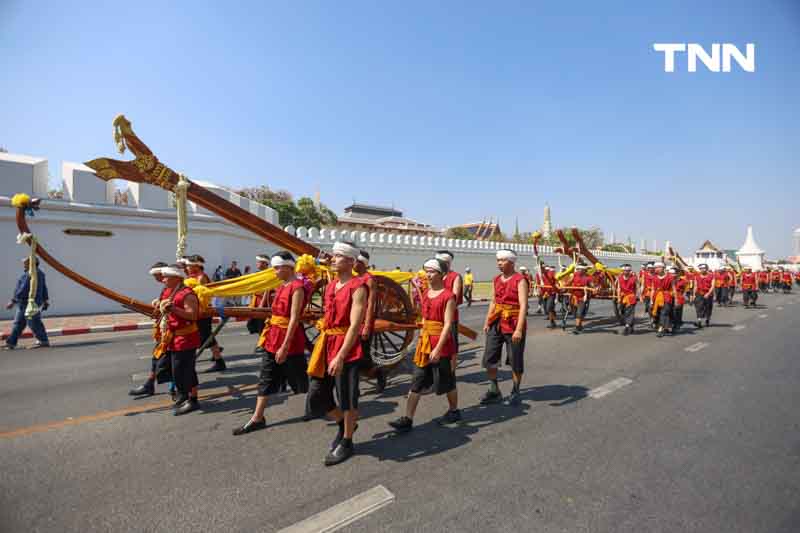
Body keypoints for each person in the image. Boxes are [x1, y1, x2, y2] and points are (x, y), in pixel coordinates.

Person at [233, 251, 310, 435]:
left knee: (301, 380)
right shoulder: (282, 286)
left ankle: (322, 405)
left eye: (276, 268)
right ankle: (257, 418)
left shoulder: (297, 287)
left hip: (288, 342)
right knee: (265, 378)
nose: (274, 271)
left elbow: (294, 319)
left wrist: (284, 346)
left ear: (287, 267)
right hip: (272, 338)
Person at [305, 241, 367, 466]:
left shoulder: (358, 287)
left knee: (347, 398)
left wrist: (341, 356)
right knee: (316, 395)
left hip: (346, 348)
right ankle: (344, 423)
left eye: (338, 256)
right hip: (326, 343)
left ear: (351, 261)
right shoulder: (331, 286)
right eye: (333, 255)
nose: (332, 258)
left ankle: (348, 440)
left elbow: (354, 326)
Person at [389, 258, 460, 432]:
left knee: (447, 382)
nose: (428, 274)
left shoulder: (448, 296)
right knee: (417, 381)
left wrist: (437, 348)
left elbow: (448, 325)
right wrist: (421, 340)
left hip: (441, 345)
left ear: (442, 274)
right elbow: (425, 319)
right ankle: (407, 419)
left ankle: (454, 410)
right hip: (426, 343)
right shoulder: (427, 293)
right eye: (426, 271)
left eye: (432, 271)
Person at [480, 249, 528, 406]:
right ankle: (494, 389)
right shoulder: (496, 279)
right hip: (497, 321)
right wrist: (488, 321)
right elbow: (493, 301)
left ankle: (515, 390)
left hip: (513, 323)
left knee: (515, 359)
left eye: (502, 260)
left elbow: (523, 306)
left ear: (512, 262)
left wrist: (519, 329)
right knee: (490, 357)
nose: (499, 263)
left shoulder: (520, 280)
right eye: (498, 260)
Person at [154, 264, 202, 415]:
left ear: (176, 278)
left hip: (185, 338)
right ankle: (183, 395)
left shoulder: (187, 294)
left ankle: (192, 400)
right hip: (171, 337)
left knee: (185, 371)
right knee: (169, 367)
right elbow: (163, 306)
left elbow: (193, 315)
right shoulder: (168, 291)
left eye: (166, 277)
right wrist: (157, 304)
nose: (163, 280)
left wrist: (173, 308)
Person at [129, 262, 176, 398]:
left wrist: (162, 308)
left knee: (169, 362)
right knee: (158, 358)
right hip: (164, 329)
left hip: (173, 330)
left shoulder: (176, 288)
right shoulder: (167, 288)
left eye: (158, 275)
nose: (156, 279)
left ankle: (176, 388)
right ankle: (150, 384)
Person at [185, 255, 226, 373]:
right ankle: (219, 360)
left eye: (188, 266)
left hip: (202, 312)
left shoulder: (201, 278)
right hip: (198, 311)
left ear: (196, 266)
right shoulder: (193, 277)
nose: (187, 268)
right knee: (207, 337)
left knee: (206, 336)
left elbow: (202, 297)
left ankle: (218, 361)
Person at [354, 250, 386, 393]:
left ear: (361, 263)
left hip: (364, 323)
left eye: (354, 261)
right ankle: (353, 387)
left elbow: (371, 304)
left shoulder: (369, 279)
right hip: (354, 322)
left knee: (363, 357)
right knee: (352, 356)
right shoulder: (354, 279)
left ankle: (379, 373)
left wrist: (367, 326)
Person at [4, 258, 50, 350]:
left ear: (31, 263)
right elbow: (44, 288)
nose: (24, 264)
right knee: (20, 323)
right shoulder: (40, 273)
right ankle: (11, 343)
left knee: (33, 322)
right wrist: (45, 300)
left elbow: (23, 289)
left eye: (25, 263)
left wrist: (13, 301)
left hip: (27, 302)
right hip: (32, 302)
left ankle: (43, 341)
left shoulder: (30, 274)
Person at [436, 250, 463, 375]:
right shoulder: (436, 275)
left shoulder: (455, 277)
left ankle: (451, 370)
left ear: (447, 263)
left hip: (450, 316)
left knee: (451, 344)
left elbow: (455, 298)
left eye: (440, 262)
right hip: (435, 317)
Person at [247, 254, 272, 342]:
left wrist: (262, 303)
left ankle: (264, 343)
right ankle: (262, 342)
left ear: (265, 263)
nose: (257, 264)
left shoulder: (268, 274)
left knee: (262, 323)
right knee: (255, 323)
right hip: (256, 300)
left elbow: (267, 289)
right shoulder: (258, 273)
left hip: (263, 301)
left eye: (259, 262)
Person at [650, 262, 675, 338]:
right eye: (655, 267)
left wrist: (675, 299)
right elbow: (653, 289)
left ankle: (660, 329)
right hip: (657, 297)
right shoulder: (654, 277)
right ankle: (668, 327)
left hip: (667, 297)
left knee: (664, 313)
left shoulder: (670, 277)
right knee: (657, 313)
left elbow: (673, 288)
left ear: (663, 268)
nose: (656, 269)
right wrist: (651, 300)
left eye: (658, 267)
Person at [569, 264, 593, 334]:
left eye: (580, 269)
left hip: (583, 298)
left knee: (579, 313)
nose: (578, 271)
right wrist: (563, 287)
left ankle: (576, 327)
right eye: (578, 269)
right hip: (574, 297)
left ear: (584, 271)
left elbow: (592, 285)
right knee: (574, 313)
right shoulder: (574, 275)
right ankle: (579, 326)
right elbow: (569, 282)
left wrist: (594, 288)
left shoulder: (588, 278)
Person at [615, 264, 638, 336]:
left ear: (630, 271)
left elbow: (637, 287)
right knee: (622, 312)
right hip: (622, 297)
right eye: (624, 271)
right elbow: (618, 288)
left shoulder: (634, 278)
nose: (626, 272)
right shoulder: (619, 278)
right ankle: (630, 326)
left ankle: (627, 327)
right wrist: (618, 298)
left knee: (629, 312)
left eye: (627, 271)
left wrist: (638, 296)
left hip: (631, 297)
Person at [693, 263, 715, 328]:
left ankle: (707, 319)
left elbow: (713, 286)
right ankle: (699, 321)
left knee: (708, 307)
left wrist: (708, 293)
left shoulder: (711, 276)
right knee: (699, 307)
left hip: (708, 294)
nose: (702, 270)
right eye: (701, 268)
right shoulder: (696, 276)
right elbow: (695, 286)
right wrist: (694, 294)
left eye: (704, 268)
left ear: (707, 269)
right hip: (699, 293)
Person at [671, 267, 689, 334]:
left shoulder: (683, 281)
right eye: (671, 273)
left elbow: (685, 289)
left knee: (678, 311)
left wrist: (684, 296)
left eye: (674, 273)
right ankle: (672, 324)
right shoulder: (669, 279)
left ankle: (677, 324)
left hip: (679, 297)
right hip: (670, 297)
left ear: (678, 273)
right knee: (671, 311)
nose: (672, 275)